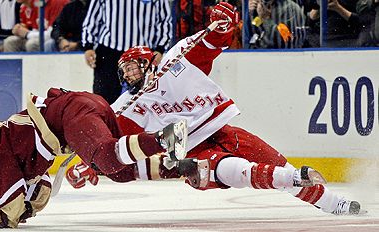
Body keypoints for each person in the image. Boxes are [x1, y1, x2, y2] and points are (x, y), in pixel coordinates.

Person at [67, 2, 362, 215]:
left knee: (279, 164)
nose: (129, 75)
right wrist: (87, 164)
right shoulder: (127, 107)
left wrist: (224, 23)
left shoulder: (175, 62)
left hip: (221, 129)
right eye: (125, 71)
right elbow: (111, 144)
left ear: (150, 63)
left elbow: (210, 42)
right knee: (232, 170)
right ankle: (291, 179)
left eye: (133, 67)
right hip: (191, 153)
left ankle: (333, 203)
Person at [0, 87, 188, 228]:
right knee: (117, 171)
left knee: (106, 157)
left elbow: (9, 208)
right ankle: (179, 167)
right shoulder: (16, 139)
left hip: (72, 113)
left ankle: (163, 138)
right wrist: (27, 208)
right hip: (89, 103)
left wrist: (4, 216)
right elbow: (41, 187)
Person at [81, 0, 172, 104]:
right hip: (108, 52)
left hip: (141, 54)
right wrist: (88, 46)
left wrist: (160, 49)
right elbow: (93, 18)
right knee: (104, 100)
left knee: (142, 100)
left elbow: (164, 20)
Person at [3, 0, 68, 52]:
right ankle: (16, 68)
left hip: (62, 38)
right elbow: (35, 29)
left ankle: (38, 67)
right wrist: (20, 31)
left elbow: (53, 33)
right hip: (43, 37)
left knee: (32, 44)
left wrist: (27, 34)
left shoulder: (58, 2)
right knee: (10, 42)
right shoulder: (35, 4)